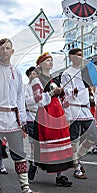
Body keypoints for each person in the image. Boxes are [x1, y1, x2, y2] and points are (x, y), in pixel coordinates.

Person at [0, 38, 42, 193]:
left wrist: (22, 119)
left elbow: (20, 98)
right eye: (2, 48)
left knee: (19, 154)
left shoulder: (17, 72)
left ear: (12, 51)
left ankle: (25, 189)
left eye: (8, 48)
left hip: (12, 119)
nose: (5, 51)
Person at [29, 52, 74, 186]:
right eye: (47, 60)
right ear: (41, 64)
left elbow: (62, 98)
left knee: (60, 142)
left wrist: (67, 113)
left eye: (51, 60)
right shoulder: (37, 80)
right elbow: (38, 100)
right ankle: (34, 164)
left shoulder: (54, 80)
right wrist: (51, 93)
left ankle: (60, 175)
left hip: (58, 113)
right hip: (46, 114)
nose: (50, 62)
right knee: (45, 142)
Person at [61, 48, 97, 180]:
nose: (81, 57)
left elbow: (89, 88)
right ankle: (76, 167)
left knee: (93, 135)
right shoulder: (67, 73)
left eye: (82, 55)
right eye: (78, 55)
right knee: (74, 139)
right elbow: (64, 92)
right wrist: (73, 91)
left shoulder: (85, 72)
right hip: (74, 108)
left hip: (85, 109)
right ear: (71, 57)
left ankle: (76, 157)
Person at [24, 66, 39, 180]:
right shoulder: (26, 88)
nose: (34, 76)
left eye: (36, 74)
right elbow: (26, 102)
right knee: (34, 144)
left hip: (41, 118)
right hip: (30, 118)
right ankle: (33, 163)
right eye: (32, 74)